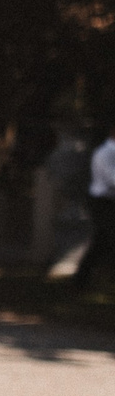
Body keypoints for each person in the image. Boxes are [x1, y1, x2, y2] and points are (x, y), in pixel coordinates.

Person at [79, 120, 115, 290]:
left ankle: (84, 277)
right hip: (102, 202)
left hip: (109, 200)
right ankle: (82, 277)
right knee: (105, 238)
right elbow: (111, 179)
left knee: (104, 240)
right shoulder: (105, 153)